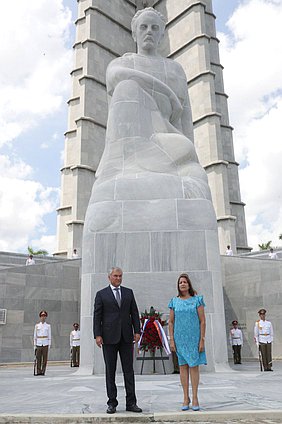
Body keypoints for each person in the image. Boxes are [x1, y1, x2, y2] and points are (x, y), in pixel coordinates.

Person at [89, 7, 212, 211]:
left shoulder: (175, 69)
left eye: (155, 28)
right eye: (143, 27)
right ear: (134, 33)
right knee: (126, 88)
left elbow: (184, 120)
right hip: (130, 145)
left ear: (162, 34)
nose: (149, 31)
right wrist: (167, 93)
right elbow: (114, 77)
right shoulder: (123, 62)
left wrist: (191, 159)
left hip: (166, 140)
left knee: (197, 179)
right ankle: (121, 171)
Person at [93, 267, 142, 414]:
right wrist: (97, 335)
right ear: (109, 277)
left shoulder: (128, 292)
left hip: (126, 337)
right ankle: (112, 403)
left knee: (129, 371)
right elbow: (97, 316)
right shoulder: (101, 294)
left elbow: (134, 312)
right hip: (108, 337)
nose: (118, 278)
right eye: (115, 276)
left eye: (120, 276)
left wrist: (137, 331)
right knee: (110, 371)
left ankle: (131, 402)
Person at [168, 273, 206, 411]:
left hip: (194, 339)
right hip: (180, 339)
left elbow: (202, 321)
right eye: (180, 282)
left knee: (194, 367)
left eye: (184, 282)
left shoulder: (197, 300)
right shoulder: (174, 301)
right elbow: (171, 322)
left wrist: (202, 339)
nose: (182, 284)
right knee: (183, 367)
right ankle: (185, 397)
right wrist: (171, 340)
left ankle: (195, 397)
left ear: (189, 284)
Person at [33, 310, 51, 375]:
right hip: (39, 343)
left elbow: (49, 336)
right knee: (38, 358)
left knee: (44, 359)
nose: (43, 317)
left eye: (44, 316)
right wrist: (35, 345)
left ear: (46, 317)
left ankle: (43, 371)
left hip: (45, 343)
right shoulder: (37, 326)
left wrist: (49, 345)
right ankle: (38, 371)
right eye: (42, 316)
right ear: (40, 317)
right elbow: (35, 336)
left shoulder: (48, 326)